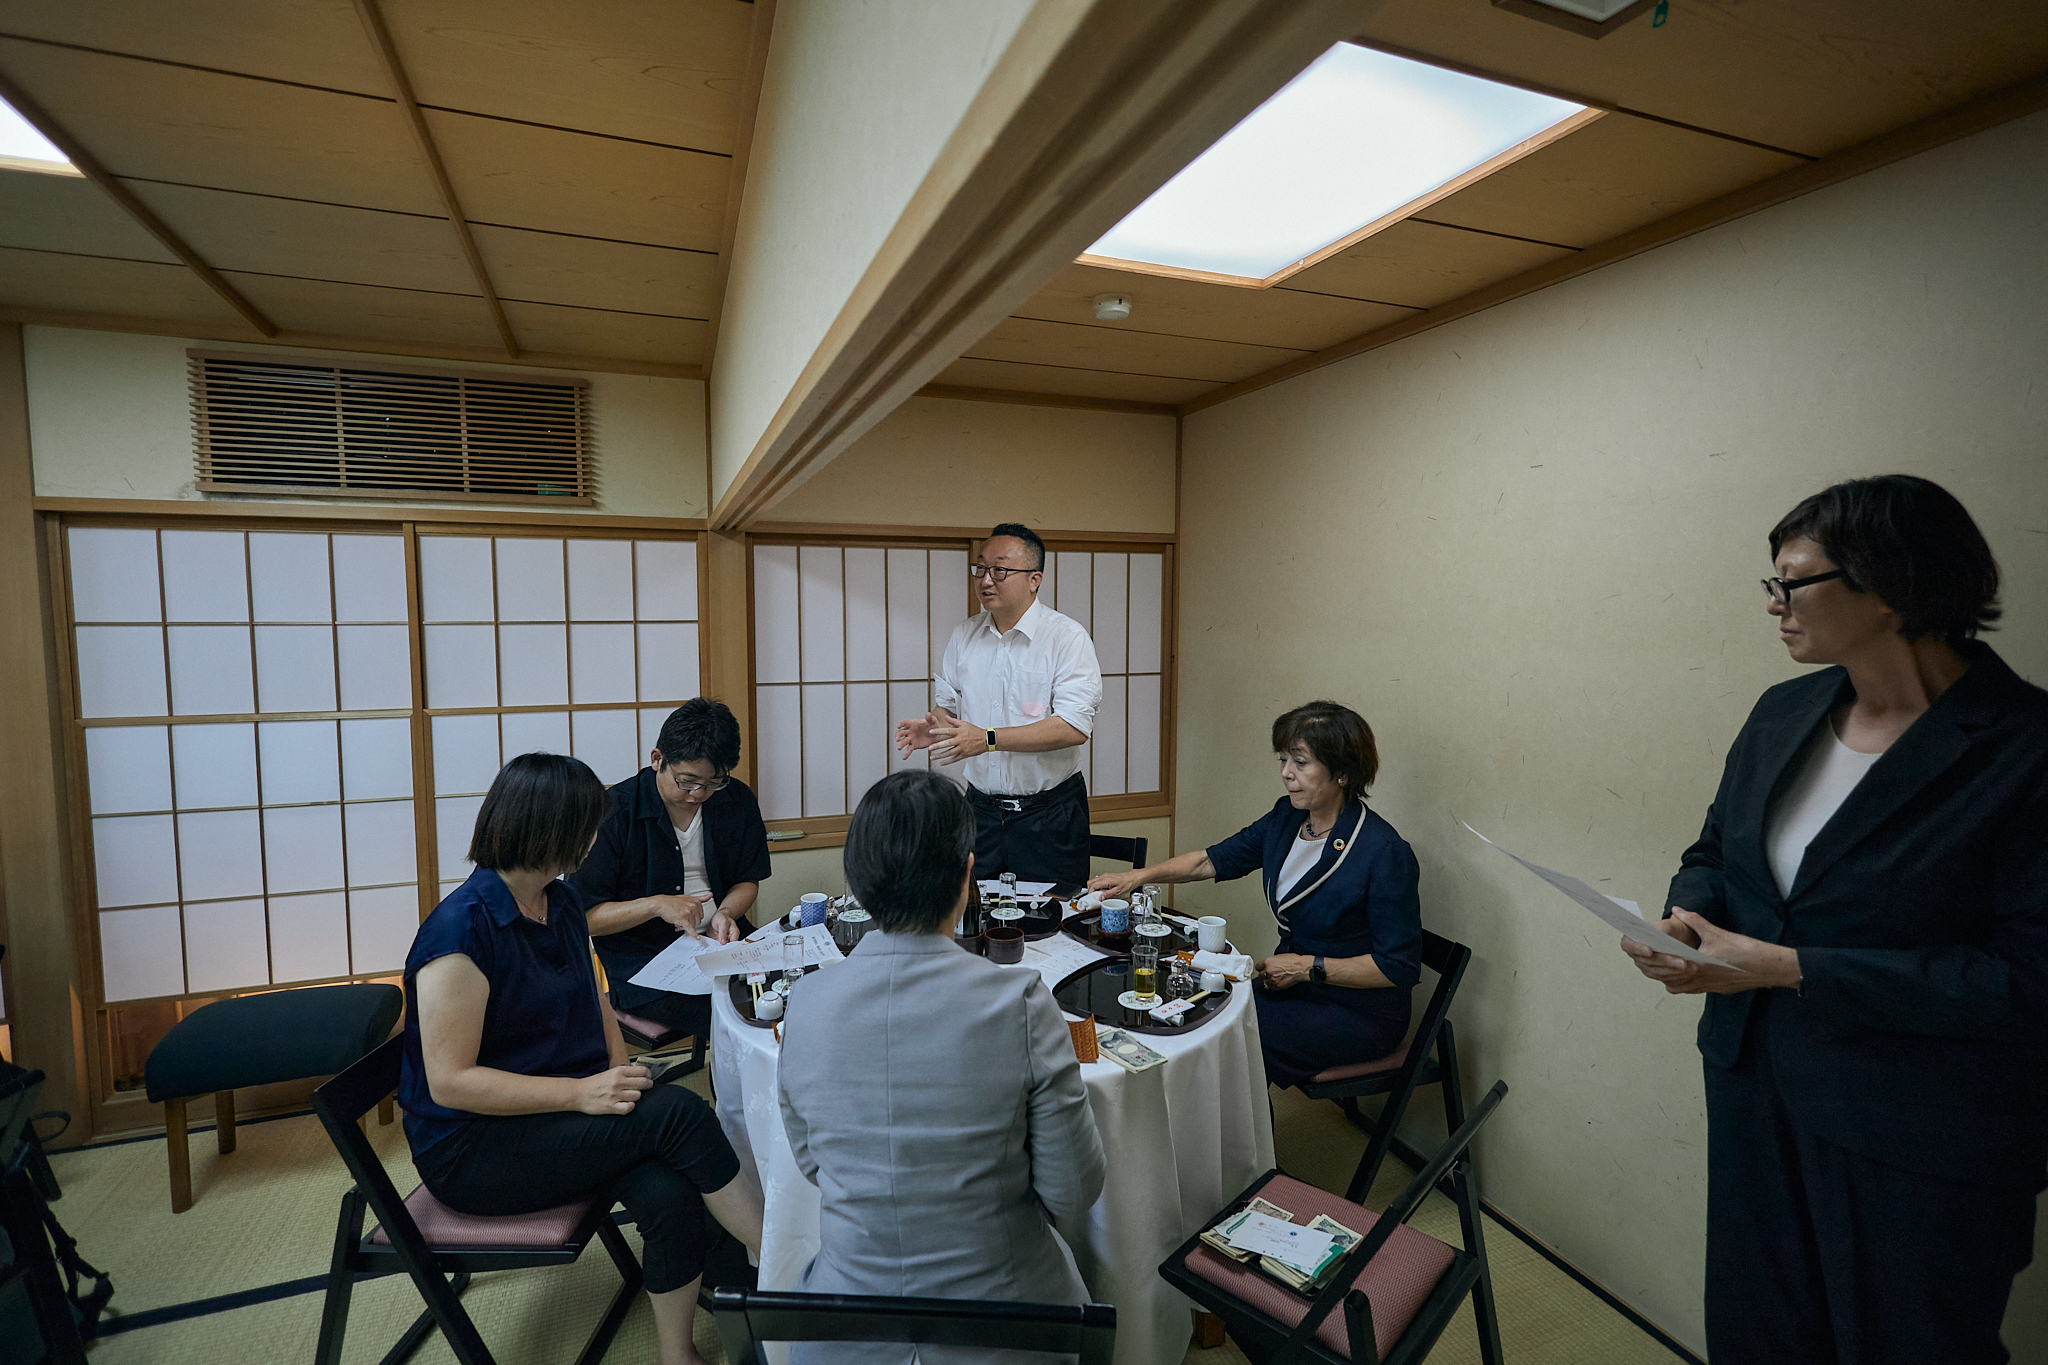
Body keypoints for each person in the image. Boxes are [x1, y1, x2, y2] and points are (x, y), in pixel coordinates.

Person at [1622, 474, 2048, 1364]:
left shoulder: (2023, 748)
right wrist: (1685, 922)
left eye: (1793, 582)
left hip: (1921, 1131)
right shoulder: (1785, 712)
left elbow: (2027, 980)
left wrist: (1789, 966)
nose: (1774, 605)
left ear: (1891, 586)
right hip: (1753, 1089)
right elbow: (1715, 852)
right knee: (1759, 1331)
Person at [400, 752, 764, 1365]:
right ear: (550, 832)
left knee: (666, 1188)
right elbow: (451, 1083)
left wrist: (619, 1072)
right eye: (587, 829)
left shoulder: (560, 903)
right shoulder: (459, 936)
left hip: (553, 1111)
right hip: (474, 1149)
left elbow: (594, 1000)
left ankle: (680, 1353)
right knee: (682, 1117)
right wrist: (580, 1095)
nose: (594, 841)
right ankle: (778, 1263)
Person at [776, 769, 1106, 1365]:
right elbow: (1074, 1190)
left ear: (855, 881)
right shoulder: (1022, 1001)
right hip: (1008, 1324)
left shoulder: (806, 1004)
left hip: (844, 1327)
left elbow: (812, 1164)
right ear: (966, 876)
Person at [1088, 701, 1422, 1088]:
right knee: (1204, 1011)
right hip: (1294, 987)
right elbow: (1210, 861)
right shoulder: (1288, 818)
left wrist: (1303, 967)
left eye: (1301, 763)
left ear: (1343, 773)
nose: (1286, 774)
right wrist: (1137, 877)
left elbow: (1397, 966)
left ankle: (1240, 1144)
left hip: (1357, 1011)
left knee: (1226, 1035)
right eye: (1283, 760)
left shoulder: (1382, 851)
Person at [895, 523, 1103, 888]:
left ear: (1034, 579)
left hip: (1049, 815)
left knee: (1053, 925)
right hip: (980, 812)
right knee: (975, 920)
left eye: (1000, 570)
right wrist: (938, 726)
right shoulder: (965, 635)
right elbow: (947, 706)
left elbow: (1073, 726)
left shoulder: (1067, 637)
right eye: (980, 568)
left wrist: (987, 739)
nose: (986, 580)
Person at [571, 698, 771, 1045]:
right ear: (657, 759)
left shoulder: (736, 799)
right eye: (687, 781)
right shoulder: (613, 814)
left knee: (787, 989)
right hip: (643, 963)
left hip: (721, 944)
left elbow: (746, 880)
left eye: (713, 783)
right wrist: (657, 905)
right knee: (735, 1013)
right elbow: (584, 917)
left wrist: (726, 912)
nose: (698, 795)